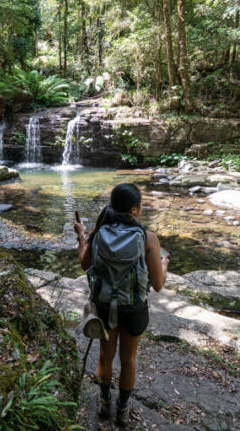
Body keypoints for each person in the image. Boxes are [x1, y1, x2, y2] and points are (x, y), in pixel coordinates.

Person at [73, 183, 169, 427]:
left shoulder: (98, 231)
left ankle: (104, 402)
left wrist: (81, 235)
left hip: (105, 306)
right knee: (129, 359)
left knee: (105, 356)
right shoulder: (148, 238)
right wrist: (164, 263)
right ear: (134, 211)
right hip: (134, 308)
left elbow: (85, 264)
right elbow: (158, 285)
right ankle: (123, 409)